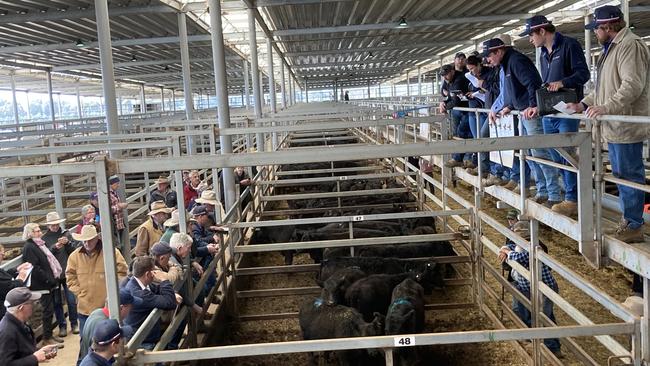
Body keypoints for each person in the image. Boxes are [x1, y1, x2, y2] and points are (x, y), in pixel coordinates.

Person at [567, 5, 650, 243]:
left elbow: (631, 85)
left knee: (628, 174)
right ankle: (630, 219)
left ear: (608, 27)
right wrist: (582, 104)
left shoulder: (629, 46)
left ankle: (634, 224)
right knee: (622, 174)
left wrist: (606, 108)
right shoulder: (611, 48)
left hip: (625, 124)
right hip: (614, 125)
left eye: (597, 28)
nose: (595, 33)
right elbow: (604, 90)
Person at [521, 14, 591, 213]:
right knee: (554, 152)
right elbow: (546, 83)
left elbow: (583, 74)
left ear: (542, 31)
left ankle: (572, 199)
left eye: (531, 34)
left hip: (567, 110)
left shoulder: (569, 45)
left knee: (567, 153)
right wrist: (537, 105)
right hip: (550, 111)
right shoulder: (543, 53)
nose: (529, 39)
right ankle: (568, 193)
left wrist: (563, 83)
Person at [484, 37, 554, 203]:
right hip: (522, 113)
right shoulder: (507, 63)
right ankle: (542, 190)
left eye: (489, 55)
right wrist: (510, 106)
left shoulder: (516, 61)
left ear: (499, 51)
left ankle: (553, 194)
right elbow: (516, 90)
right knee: (530, 154)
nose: (488, 59)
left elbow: (532, 83)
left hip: (529, 114)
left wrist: (532, 105)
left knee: (539, 153)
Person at [498, 221, 562, 357]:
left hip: (545, 288)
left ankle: (553, 348)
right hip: (526, 286)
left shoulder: (535, 246)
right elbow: (511, 248)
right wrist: (504, 248)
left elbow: (519, 257)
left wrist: (506, 251)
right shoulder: (518, 244)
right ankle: (532, 336)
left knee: (544, 317)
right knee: (520, 310)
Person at [67, 225, 128, 335]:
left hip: (106, 308)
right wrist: (80, 292)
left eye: (90, 240)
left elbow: (122, 273)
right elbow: (70, 276)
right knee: (85, 339)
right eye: (84, 241)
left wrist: (114, 293)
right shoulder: (74, 257)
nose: (87, 243)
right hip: (85, 308)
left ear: (97, 238)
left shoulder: (111, 252)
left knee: (108, 338)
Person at [21, 223, 64, 347]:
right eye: (36, 231)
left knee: (49, 310)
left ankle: (49, 335)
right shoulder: (30, 247)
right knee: (47, 310)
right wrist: (48, 279)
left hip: (46, 283)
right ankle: (47, 337)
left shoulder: (39, 245)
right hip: (41, 285)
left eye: (39, 230)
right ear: (30, 233)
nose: (40, 233)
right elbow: (35, 267)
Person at [123, 256, 179, 350]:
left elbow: (157, 290)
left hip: (146, 337)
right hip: (142, 343)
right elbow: (170, 303)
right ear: (148, 274)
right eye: (154, 271)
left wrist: (173, 294)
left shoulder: (138, 283)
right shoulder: (139, 293)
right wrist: (164, 280)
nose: (156, 273)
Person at [78, 290, 141, 364]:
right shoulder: (103, 327)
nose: (130, 311)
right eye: (130, 307)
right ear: (121, 308)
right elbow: (102, 350)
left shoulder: (97, 313)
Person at [42, 212, 79, 337]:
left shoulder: (66, 234)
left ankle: (74, 323)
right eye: (52, 224)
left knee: (71, 300)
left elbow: (73, 251)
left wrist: (67, 243)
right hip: (54, 274)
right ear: (48, 226)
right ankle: (62, 325)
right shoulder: (45, 239)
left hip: (67, 270)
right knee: (57, 302)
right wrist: (54, 247)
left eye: (56, 223)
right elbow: (45, 256)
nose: (55, 226)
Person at [0, 287, 59, 365]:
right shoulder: (7, 332)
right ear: (21, 308)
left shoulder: (19, 322)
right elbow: (5, 363)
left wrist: (40, 351)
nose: (34, 304)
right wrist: (35, 358)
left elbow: (22, 352)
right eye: (31, 302)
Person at [438, 63, 473, 168]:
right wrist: (444, 102)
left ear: (452, 71)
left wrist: (445, 106)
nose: (444, 77)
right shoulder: (450, 80)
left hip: (469, 110)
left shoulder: (459, 80)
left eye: (446, 74)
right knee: (461, 133)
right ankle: (465, 158)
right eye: (443, 75)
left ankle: (460, 158)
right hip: (463, 110)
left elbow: (456, 100)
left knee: (462, 132)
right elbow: (448, 95)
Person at [0, 244, 31, 320]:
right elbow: (8, 288)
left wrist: (17, 269)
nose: (3, 257)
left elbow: (4, 274)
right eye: (2, 254)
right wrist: (20, 279)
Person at [108, 176, 128, 242]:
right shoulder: (108, 194)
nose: (118, 185)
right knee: (116, 243)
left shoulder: (114, 192)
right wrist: (120, 207)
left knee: (120, 242)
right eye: (117, 184)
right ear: (112, 184)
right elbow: (107, 209)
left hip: (119, 222)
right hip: (114, 223)